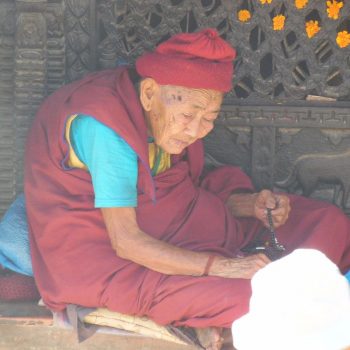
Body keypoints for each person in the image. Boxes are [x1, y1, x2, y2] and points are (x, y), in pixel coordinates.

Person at [24, 28, 350, 350]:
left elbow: (181, 191)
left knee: (329, 223)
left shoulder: (159, 111)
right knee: (274, 301)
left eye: (209, 118)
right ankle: (202, 311)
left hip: (186, 230)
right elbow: (125, 241)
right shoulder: (107, 129)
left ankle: (207, 315)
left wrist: (250, 205)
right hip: (117, 261)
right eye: (188, 116)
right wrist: (224, 267)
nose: (196, 131)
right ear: (150, 93)